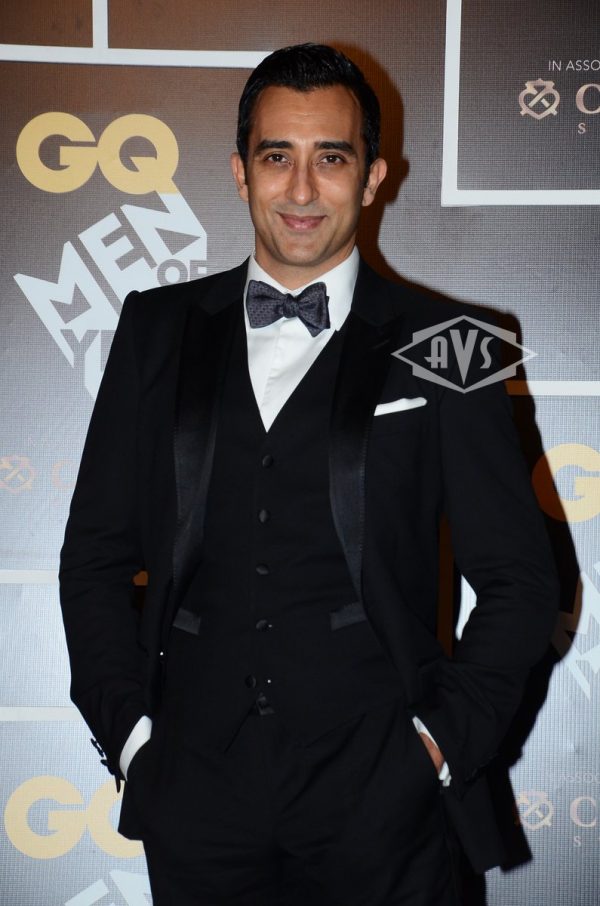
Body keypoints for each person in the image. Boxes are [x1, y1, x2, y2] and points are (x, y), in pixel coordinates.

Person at [59, 43, 558, 905]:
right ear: (240, 172)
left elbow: (520, 581)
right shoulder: (155, 328)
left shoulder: (454, 345)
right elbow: (95, 558)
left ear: (372, 177)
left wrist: (437, 746)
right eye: (275, 157)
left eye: (330, 158)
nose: (300, 189)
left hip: (386, 802)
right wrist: (135, 743)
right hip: (196, 799)